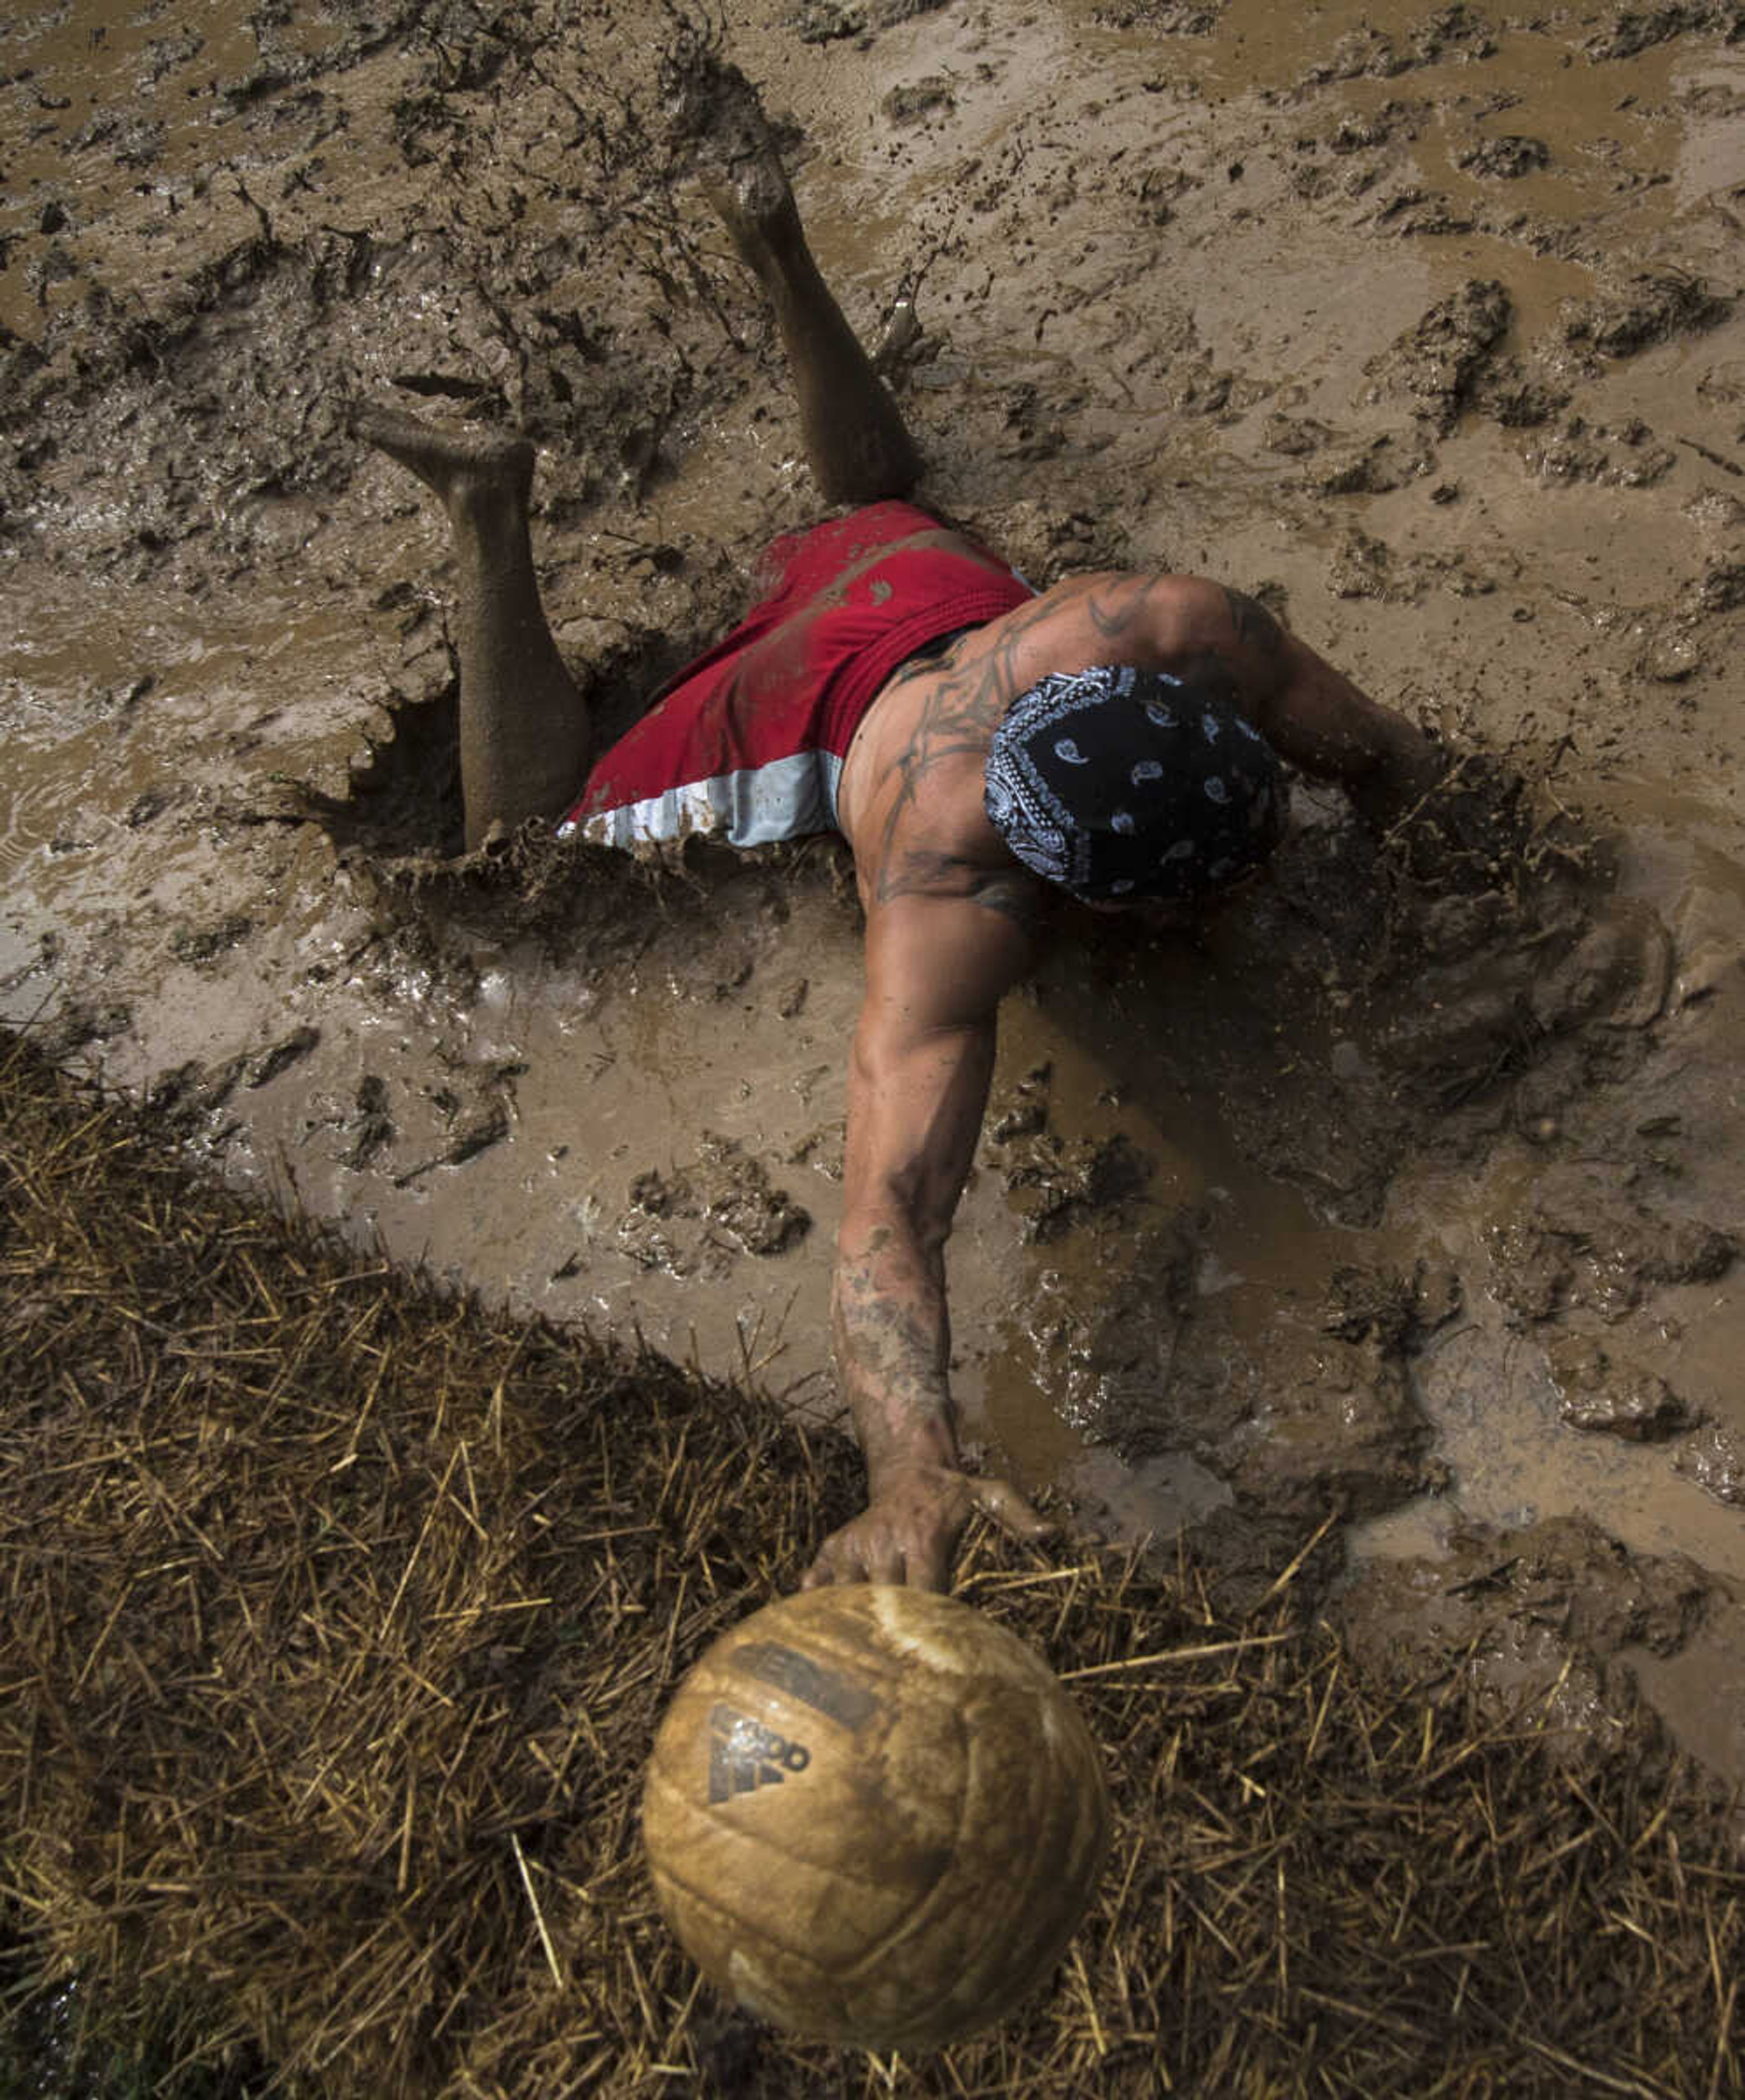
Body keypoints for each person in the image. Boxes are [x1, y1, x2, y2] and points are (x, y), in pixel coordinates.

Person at [354, 55, 1445, 1593]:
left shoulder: (1188, 623)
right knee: (521, 844)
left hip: (923, 610)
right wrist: (914, 1473)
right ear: (1067, 902)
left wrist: (1504, 879)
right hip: (797, 726)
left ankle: (775, 243)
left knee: (886, 501)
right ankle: (488, 515)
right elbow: (891, 1221)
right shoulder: (950, 896)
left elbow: (1402, 768)